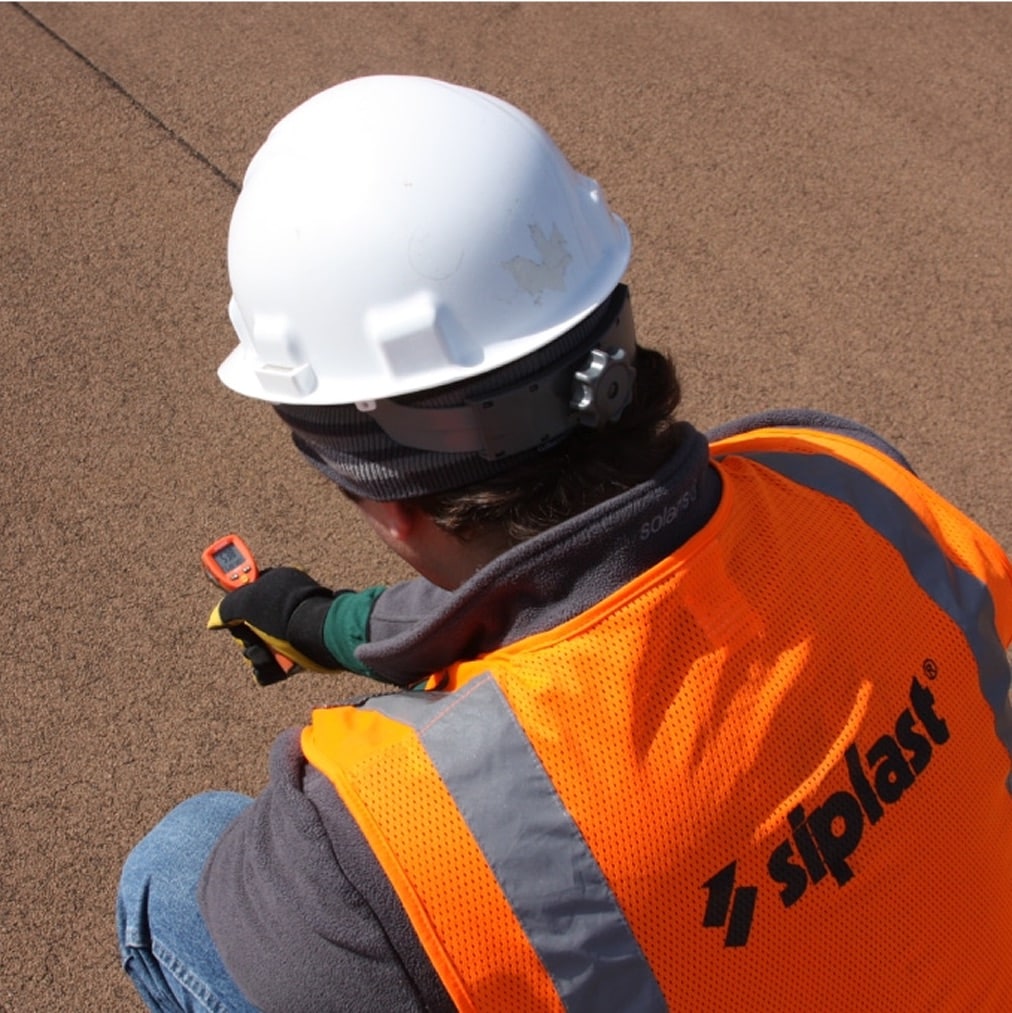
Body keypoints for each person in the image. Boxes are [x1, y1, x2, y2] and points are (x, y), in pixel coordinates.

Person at [118, 75, 1012, 1012]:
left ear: (387, 504)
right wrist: (328, 622)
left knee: (175, 866)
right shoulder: (846, 479)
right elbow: (577, 568)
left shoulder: (368, 844)